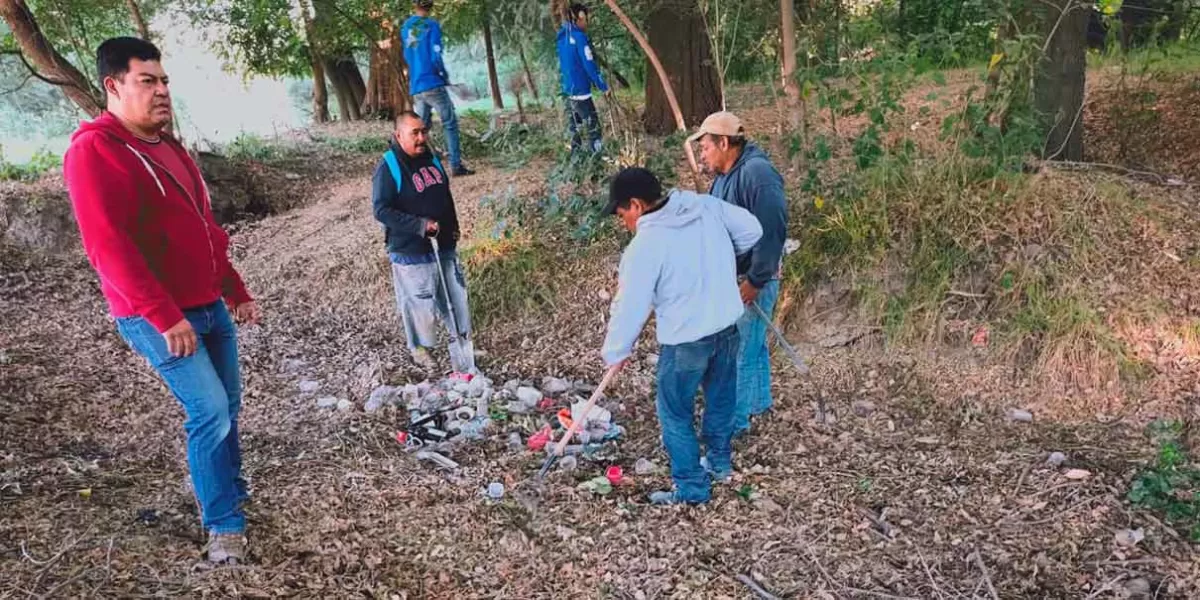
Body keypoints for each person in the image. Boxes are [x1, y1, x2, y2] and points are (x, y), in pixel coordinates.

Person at [63, 37, 259, 564]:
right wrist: (163, 315)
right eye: (147, 81)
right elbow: (108, 246)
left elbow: (203, 228)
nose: (161, 91)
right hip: (157, 315)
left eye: (164, 80)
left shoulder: (168, 146)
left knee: (228, 407)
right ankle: (222, 524)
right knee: (209, 410)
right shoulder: (93, 151)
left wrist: (232, 287)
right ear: (113, 86)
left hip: (208, 306)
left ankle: (230, 490)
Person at [601, 167, 762, 505]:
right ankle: (719, 463)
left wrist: (616, 351)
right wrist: (720, 258)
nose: (623, 222)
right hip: (726, 325)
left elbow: (631, 304)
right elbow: (752, 229)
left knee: (675, 411)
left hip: (686, 339)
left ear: (637, 205)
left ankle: (691, 488)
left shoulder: (645, 246)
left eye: (622, 213)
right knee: (720, 398)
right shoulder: (705, 207)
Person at [691, 112, 788, 438]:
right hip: (735, 276)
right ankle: (757, 405)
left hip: (754, 278)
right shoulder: (724, 176)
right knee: (753, 345)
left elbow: (772, 230)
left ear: (724, 142)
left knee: (738, 352)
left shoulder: (757, 175)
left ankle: (735, 425)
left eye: (706, 147)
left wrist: (755, 281)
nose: (703, 155)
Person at [372, 111, 475, 372]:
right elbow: (381, 210)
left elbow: (445, 195)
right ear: (398, 135)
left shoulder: (432, 158)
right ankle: (420, 350)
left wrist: (453, 229)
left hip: (444, 245)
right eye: (414, 133)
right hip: (411, 250)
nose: (421, 138)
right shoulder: (389, 167)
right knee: (420, 304)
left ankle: (463, 342)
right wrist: (419, 226)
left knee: (455, 297)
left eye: (423, 131)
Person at [402, 0, 473, 176]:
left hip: (417, 86)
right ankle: (456, 165)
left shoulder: (406, 27)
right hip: (432, 83)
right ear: (430, 5)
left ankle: (412, 165)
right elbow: (435, 56)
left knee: (420, 128)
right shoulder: (431, 25)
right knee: (449, 123)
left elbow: (407, 55)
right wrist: (443, 75)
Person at [556, 2, 610, 155]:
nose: (587, 23)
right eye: (585, 19)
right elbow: (589, 65)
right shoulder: (580, 38)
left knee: (576, 130)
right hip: (581, 91)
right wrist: (603, 86)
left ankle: (576, 160)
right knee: (593, 128)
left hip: (568, 91)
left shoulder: (561, 37)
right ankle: (598, 158)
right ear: (578, 18)